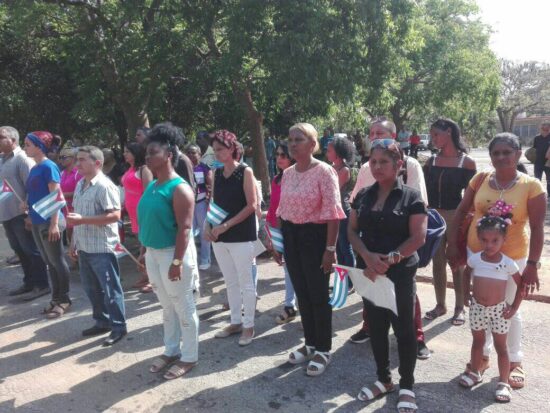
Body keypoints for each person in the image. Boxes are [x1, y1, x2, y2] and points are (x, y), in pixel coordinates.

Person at [447, 133, 546, 390]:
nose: (501, 157)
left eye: (506, 152)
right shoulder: (479, 179)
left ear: (518, 154)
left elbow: (537, 228)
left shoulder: (531, 186)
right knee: (482, 305)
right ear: (490, 156)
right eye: (496, 153)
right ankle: (483, 358)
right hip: (477, 254)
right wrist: (452, 244)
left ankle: (514, 361)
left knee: (509, 309)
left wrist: (533, 264)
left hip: (512, 257)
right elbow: (460, 211)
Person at [348, 140, 427, 412]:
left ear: (398, 165)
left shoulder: (412, 197)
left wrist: (391, 258)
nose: (377, 166)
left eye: (384, 161)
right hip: (369, 271)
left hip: (400, 273)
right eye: (373, 161)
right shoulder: (363, 196)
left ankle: (407, 385)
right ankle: (383, 379)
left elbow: (418, 236)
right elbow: (352, 232)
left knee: (404, 330)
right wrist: (368, 258)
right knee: (377, 327)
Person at [277, 123, 345, 376]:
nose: (293, 144)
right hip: (293, 237)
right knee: (302, 294)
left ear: (312, 143)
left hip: (316, 238)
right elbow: (283, 211)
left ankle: (324, 348)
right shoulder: (288, 173)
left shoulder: (325, 171)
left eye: (299, 139)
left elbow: (333, 214)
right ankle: (310, 343)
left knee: (318, 295)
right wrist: (280, 243)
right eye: (291, 139)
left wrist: (330, 249)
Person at [137, 123, 199, 379]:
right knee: (166, 306)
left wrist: (176, 262)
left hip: (174, 255)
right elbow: (148, 220)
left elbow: (184, 229)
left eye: (153, 152)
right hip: (153, 254)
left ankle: (189, 356)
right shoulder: (153, 185)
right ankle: (171, 349)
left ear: (169, 155)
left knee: (183, 307)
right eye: (147, 153)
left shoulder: (179, 188)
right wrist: (144, 250)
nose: (148, 157)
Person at [67, 146, 127, 346]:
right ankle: (102, 322)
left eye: (82, 160)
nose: (78, 164)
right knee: (92, 289)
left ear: (97, 163)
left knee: (110, 290)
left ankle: (118, 327)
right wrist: (74, 243)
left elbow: (115, 216)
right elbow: (77, 216)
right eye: (77, 160)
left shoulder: (104, 186)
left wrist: (83, 220)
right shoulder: (81, 184)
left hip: (102, 248)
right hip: (85, 247)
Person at [459, 215, 523, 404]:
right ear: (479, 239)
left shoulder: (508, 263)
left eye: (495, 240)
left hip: (499, 311)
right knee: (477, 342)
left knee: (500, 347)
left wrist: (514, 307)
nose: (489, 245)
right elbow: (466, 273)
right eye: (485, 240)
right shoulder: (475, 259)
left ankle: (504, 383)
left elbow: (520, 286)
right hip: (478, 308)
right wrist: (465, 294)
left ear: (504, 240)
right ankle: (475, 371)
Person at [205, 130, 258, 346]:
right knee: (230, 281)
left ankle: (249, 325)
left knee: (246, 282)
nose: (216, 153)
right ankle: (236, 321)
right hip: (220, 236)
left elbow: (252, 205)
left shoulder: (245, 171)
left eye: (220, 149)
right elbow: (214, 203)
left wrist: (226, 225)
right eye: (214, 150)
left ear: (231, 148)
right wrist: (209, 226)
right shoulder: (216, 174)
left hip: (241, 234)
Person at [423, 119, 476, 325]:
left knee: (457, 262)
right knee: (437, 263)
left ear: (449, 132)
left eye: (436, 134)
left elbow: (471, 196)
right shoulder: (432, 161)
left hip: (456, 216)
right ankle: (440, 305)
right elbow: (424, 190)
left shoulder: (467, 162)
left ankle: (460, 307)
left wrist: (467, 218)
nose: (433, 139)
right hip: (434, 217)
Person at [24, 131, 72, 318]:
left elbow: (56, 196)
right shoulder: (35, 168)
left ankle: (64, 299)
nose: (25, 147)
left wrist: (54, 224)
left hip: (49, 221)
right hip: (36, 221)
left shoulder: (49, 166)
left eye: (28, 144)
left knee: (57, 261)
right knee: (49, 262)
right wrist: (27, 209)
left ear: (39, 146)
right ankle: (55, 298)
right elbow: (36, 193)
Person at [0, 126, 50, 300]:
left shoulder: (22, 159)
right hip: (6, 214)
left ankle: (42, 284)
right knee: (19, 249)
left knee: (31, 249)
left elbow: (32, 188)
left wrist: (29, 215)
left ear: (13, 140)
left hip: (21, 214)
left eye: (1, 137)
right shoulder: (2, 159)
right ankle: (29, 282)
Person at [265, 142, 297, 324]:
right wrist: (271, 237)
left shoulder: (296, 178)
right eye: (277, 155)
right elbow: (272, 209)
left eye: (283, 155)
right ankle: (289, 306)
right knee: (287, 270)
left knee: (294, 270)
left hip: (293, 231)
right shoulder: (276, 179)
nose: (278, 158)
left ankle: (294, 306)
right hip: (278, 229)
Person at [121, 142, 154, 293]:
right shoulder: (130, 169)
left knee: (147, 244)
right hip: (132, 212)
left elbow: (148, 192)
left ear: (136, 153)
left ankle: (152, 278)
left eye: (127, 151)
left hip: (142, 211)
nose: (124, 154)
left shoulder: (144, 169)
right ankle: (145, 275)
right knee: (141, 241)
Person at [325, 136, 356, 272]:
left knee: (345, 246)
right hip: (332, 212)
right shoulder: (330, 168)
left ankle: (350, 281)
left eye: (329, 150)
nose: (327, 153)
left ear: (338, 152)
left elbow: (332, 191)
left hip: (342, 212)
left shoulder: (344, 170)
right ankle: (341, 281)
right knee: (337, 247)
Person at [185, 144, 213, 270]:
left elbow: (211, 186)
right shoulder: (183, 169)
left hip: (201, 203)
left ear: (200, 155)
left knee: (203, 232)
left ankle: (205, 259)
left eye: (193, 152)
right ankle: (191, 259)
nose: (191, 155)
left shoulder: (204, 168)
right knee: (188, 232)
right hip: (187, 205)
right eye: (188, 153)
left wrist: (210, 201)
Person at [59, 147, 83, 245]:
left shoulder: (79, 173)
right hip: (66, 210)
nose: (61, 160)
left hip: (78, 210)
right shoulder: (62, 173)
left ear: (73, 158)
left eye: (64, 157)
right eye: (59, 157)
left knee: (79, 240)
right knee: (71, 240)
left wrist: (62, 195)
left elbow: (81, 192)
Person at [532, 121, 550, 195]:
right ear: (541, 129)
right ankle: (538, 195)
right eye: (543, 128)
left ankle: (549, 196)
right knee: (537, 180)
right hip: (538, 162)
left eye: (547, 128)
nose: (544, 130)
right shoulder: (537, 138)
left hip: (548, 162)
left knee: (549, 180)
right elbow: (534, 149)